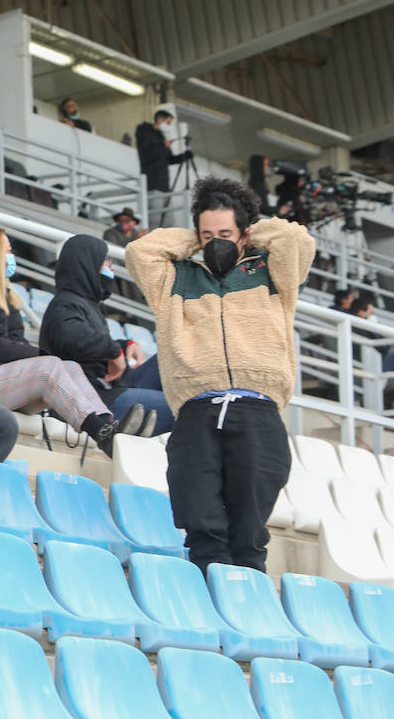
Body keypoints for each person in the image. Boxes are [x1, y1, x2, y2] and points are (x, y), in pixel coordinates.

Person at [125, 175, 314, 574]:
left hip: (257, 410)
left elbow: (297, 241)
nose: (216, 241)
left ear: (245, 232)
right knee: (201, 526)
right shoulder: (175, 278)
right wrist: (196, 241)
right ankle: (209, 612)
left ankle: (248, 616)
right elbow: (140, 251)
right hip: (196, 411)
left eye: (225, 233)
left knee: (249, 533)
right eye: (207, 233)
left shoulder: (273, 273)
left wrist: (251, 232)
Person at [0, 227, 134, 456]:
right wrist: (39, 356)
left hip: (5, 383)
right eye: (8, 251)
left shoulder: (9, 298)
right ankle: (100, 431)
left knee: (70, 366)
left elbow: (15, 342)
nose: (12, 258)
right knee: (49, 365)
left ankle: (106, 425)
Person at [39, 234, 171, 438]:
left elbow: (89, 341)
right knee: (185, 405)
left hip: (114, 386)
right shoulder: (64, 303)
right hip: (96, 398)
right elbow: (70, 336)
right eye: (106, 261)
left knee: (171, 355)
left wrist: (125, 344)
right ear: (87, 264)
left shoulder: (86, 304)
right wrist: (113, 349)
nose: (112, 268)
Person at [136, 109, 190, 225]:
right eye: (168, 122)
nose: (169, 126)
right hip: (152, 183)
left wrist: (184, 156)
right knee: (154, 220)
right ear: (160, 119)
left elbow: (169, 159)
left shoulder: (160, 137)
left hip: (164, 186)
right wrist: (162, 146)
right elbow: (147, 155)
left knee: (169, 223)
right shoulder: (144, 131)